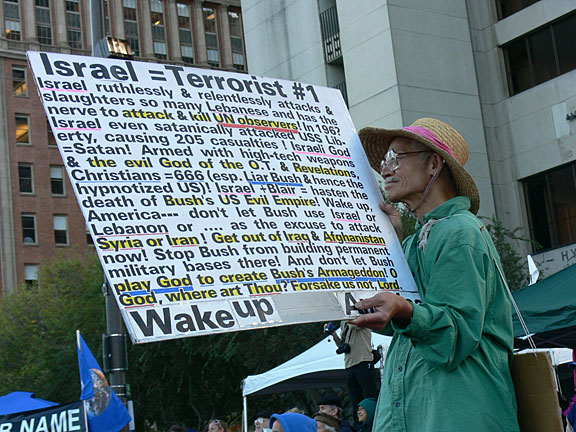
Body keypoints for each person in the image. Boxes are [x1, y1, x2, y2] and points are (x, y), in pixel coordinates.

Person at [353, 118, 520, 431]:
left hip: (456, 414)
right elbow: (399, 324)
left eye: (395, 158)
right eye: (384, 160)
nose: (385, 170)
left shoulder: (459, 232)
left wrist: (404, 309)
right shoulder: (419, 240)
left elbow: (452, 338)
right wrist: (394, 247)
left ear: (433, 164)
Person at [323, 322, 379, 413]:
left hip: (363, 361)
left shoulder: (358, 317)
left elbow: (355, 325)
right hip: (349, 365)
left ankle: (372, 420)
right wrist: (333, 334)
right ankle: (358, 421)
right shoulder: (343, 322)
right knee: (356, 402)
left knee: (369, 400)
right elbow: (342, 345)